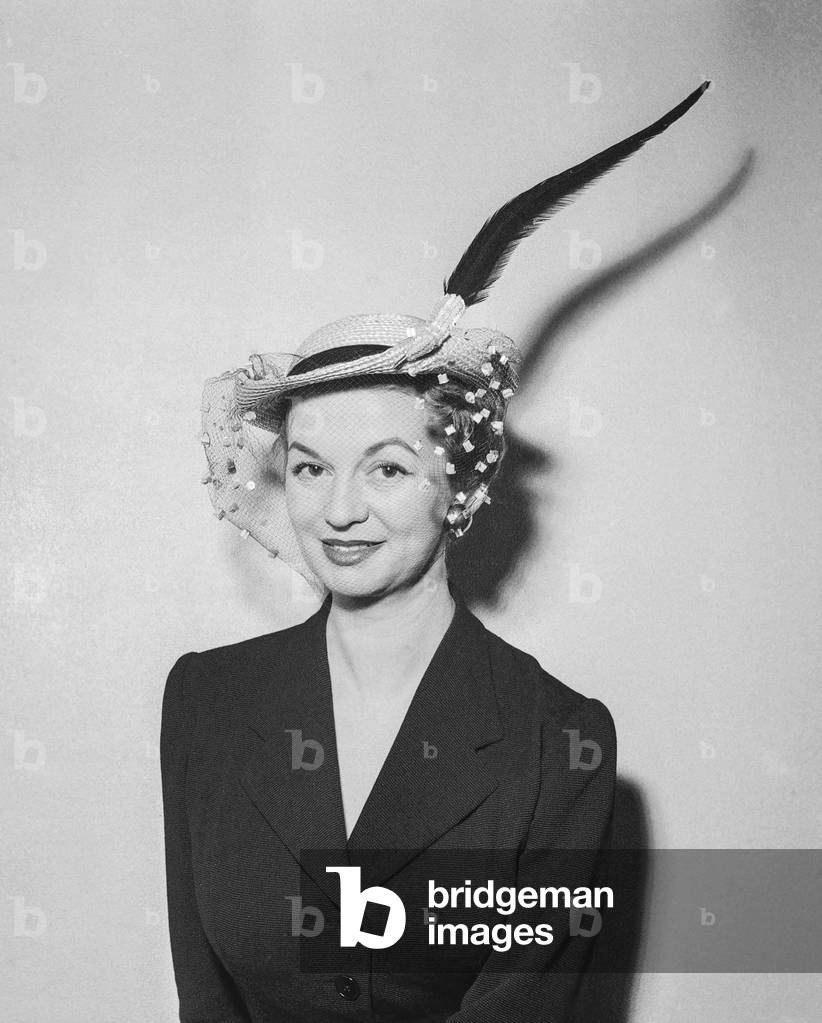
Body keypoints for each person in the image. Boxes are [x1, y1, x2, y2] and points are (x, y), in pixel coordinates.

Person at [161, 83, 709, 1022]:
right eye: (308, 466)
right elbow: (204, 1000)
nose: (338, 509)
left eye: (385, 468)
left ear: (459, 484)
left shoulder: (560, 743)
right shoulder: (203, 702)